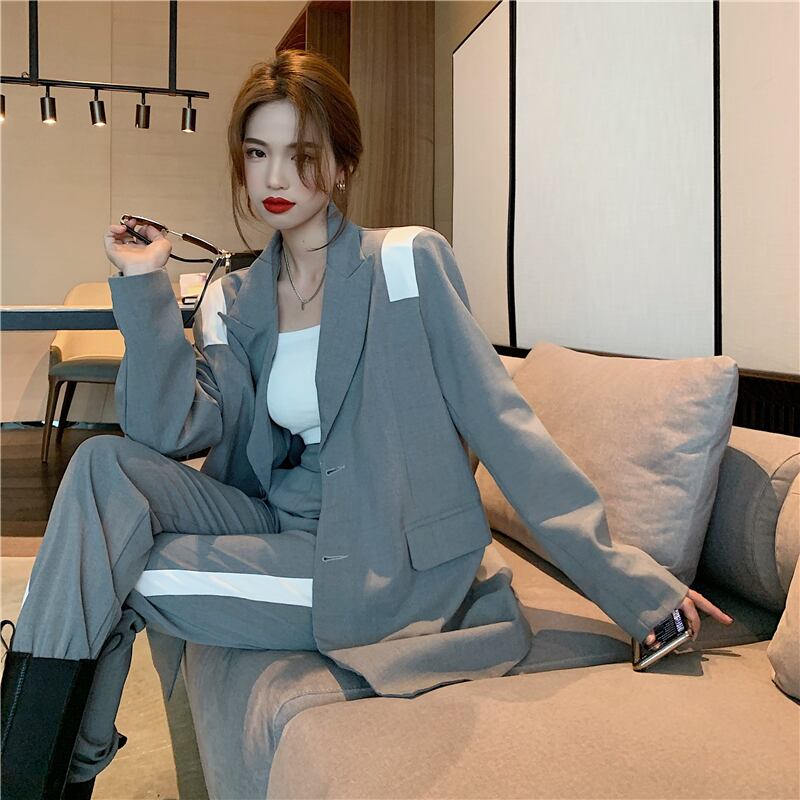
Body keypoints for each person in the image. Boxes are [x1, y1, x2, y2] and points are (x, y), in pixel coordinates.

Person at [0, 49, 733, 800]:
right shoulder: (235, 299)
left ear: (343, 165)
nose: (276, 177)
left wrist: (633, 587)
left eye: (301, 155)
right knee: (100, 467)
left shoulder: (407, 266)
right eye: (257, 153)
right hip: (279, 521)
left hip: (384, 559)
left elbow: (505, 427)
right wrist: (144, 281)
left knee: (104, 574)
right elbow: (165, 432)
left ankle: (31, 775)